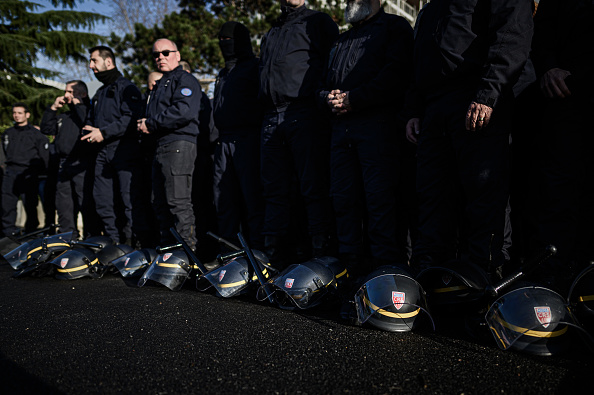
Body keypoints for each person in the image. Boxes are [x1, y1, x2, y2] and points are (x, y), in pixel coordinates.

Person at [405, 0, 534, 280]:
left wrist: (488, 94)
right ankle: (430, 276)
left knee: (484, 194)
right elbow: (421, 58)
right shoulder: (430, 8)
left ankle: (486, 275)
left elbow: (511, 35)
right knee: (432, 195)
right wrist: (415, 110)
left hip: (476, 94)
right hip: (435, 106)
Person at [319, 0, 413, 275]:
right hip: (341, 129)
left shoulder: (394, 27)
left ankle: (385, 272)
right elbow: (322, 81)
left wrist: (354, 99)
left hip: (378, 127)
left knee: (379, 201)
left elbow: (396, 76)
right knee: (343, 200)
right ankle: (350, 269)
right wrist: (327, 98)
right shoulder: (341, 39)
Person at [259, 0, 339, 266]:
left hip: (303, 112)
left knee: (313, 187)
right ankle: (275, 259)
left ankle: (320, 258)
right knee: (275, 191)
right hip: (271, 117)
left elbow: (333, 64)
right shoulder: (272, 31)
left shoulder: (319, 22)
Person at [530, 0, 594, 292]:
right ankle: (553, 276)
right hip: (565, 95)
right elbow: (541, 32)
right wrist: (548, 68)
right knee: (558, 190)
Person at [137, 39, 202, 249]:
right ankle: (168, 252)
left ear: (178, 55)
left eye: (166, 52)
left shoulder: (185, 80)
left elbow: (184, 111)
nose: (160, 57)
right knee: (160, 203)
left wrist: (151, 123)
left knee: (178, 202)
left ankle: (187, 254)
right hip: (161, 146)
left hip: (179, 144)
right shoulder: (160, 85)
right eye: (156, 54)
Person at [83, 45, 147, 245]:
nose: (91, 65)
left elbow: (132, 118)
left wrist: (104, 132)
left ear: (108, 62)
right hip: (102, 153)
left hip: (124, 151)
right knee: (102, 201)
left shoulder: (126, 87)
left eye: (94, 60)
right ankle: (114, 244)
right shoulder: (100, 93)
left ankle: (132, 246)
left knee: (129, 202)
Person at [212, 21, 265, 250]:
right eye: (221, 40)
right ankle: (229, 253)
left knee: (252, 199)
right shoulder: (223, 73)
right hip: (223, 141)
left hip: (247, 140)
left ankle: (258, 252)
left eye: (229, 40)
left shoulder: (254, 67)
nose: (225, 44)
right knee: (224, 200)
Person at [41, 80, 98, 238]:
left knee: (85, 203)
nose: (66, 95)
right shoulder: (64, 116)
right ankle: (67, 238)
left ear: (82, 94)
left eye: (70, 92)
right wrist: (53, 108)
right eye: (66, 92)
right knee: (64, 205)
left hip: (82, 163)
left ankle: (91, 238)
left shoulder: (89, 112)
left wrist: (78, 104)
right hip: (63, 164)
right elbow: (46, 128)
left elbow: (86, 121)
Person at [1, 103, 49, 235]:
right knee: (7, 205)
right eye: (14, 113)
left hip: (28, 173)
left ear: (27, 115)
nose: (16, 115)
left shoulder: (36, 135)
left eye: (20, 113)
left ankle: (31, 232)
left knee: (30, 205)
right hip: (10, 173)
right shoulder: (8, 133)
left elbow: (44, 157)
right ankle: (8, 233)